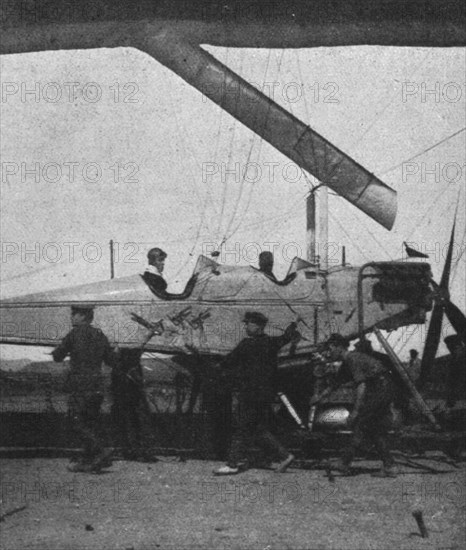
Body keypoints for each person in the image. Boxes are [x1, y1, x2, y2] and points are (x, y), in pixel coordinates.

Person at [213, 311, 300, 475]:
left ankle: (232, 464)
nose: (246, 326)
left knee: (240, 426)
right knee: (257, 429)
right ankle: (285, 456)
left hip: (250, 393)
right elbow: (287, 336)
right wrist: (294, 323)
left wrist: (210, 364)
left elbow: (227, 362)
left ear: (258, 326)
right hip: (266, 394)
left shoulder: (246, 344)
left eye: (248, 323)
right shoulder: (271, 343)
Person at [310, 333, 397, 477]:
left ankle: (344, 463)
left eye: (330, 349)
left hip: (380, 389)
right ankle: (390, 466)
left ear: (338, 347)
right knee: (373, 430)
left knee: (360, 423)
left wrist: (356, 411)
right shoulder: (347, 362)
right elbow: (335, 384)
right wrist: (319, 397)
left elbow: (361, 386)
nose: (328, 353)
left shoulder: (352, 359)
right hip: (383, 388)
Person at [52, 305, 118, 473]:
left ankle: (101, 451)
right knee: (91, 422)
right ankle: (89, 461)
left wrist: (56, 352)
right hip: (97, 387)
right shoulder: (100, 335)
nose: (72, 317)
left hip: (80, 386)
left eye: (75, 314)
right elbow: (111, 361)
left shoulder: (74, 334)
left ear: (84, 316)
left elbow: (58, 357)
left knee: (76, 422)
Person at [111, 348, 157, 462]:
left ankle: (133, 450)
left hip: (127, 392)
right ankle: (139, 451)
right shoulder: (131, 365)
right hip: (129, 392)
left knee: (130, 421)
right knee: (136, 420)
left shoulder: (124, 364)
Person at [444, 335, 465, 408]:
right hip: (456, 397)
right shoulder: (452, 361)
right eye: (450, 349)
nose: (452, 351)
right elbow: (450, 381)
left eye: (454, 348)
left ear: (461, 346)